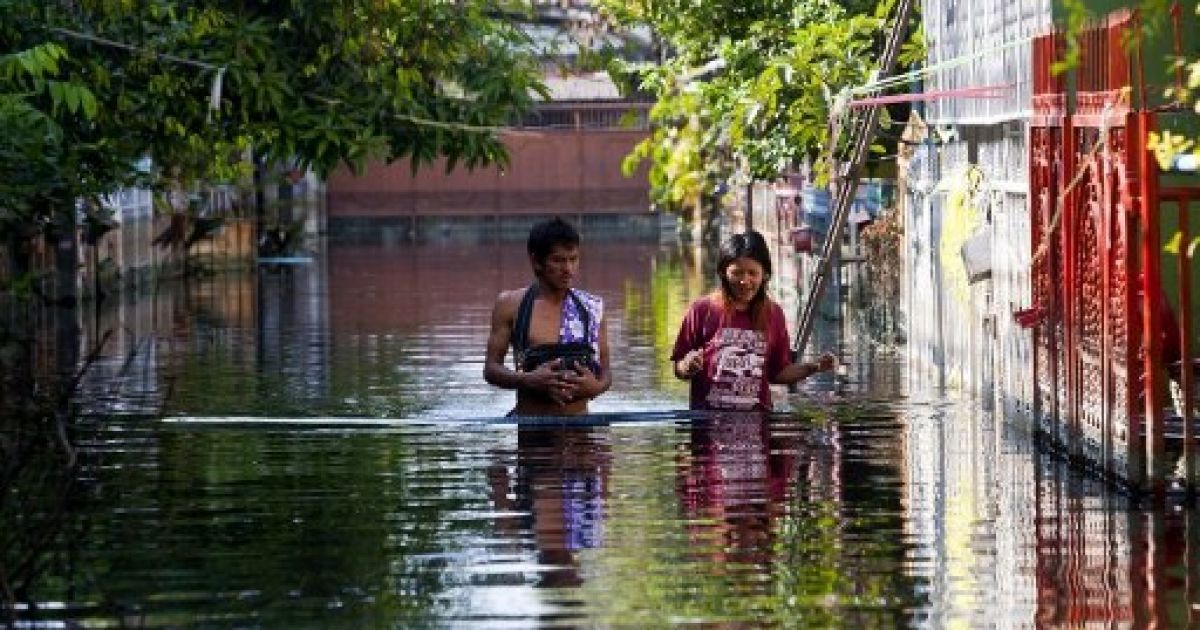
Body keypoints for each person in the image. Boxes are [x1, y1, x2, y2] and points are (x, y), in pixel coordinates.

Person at [671, 229, 835, 411]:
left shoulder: (774, 314)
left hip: (758, 422)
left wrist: (815, 366)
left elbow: (778, 373)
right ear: (723, 273)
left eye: (752, 273)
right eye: (737, 273)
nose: (744, 281)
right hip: (709, 423)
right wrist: (688, 365)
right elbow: (679, 369)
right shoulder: (702, 310)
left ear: (764, 274)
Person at [484, 217, 611, 415]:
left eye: (573, 259)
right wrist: (527, 380)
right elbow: (491, 369)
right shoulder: (510, 305)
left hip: (582, 433)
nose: (568, 269)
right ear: (536, 261)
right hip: (531, 430)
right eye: (558, 260)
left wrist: (596, 388)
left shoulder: (592, 308)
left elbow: (606, 372)